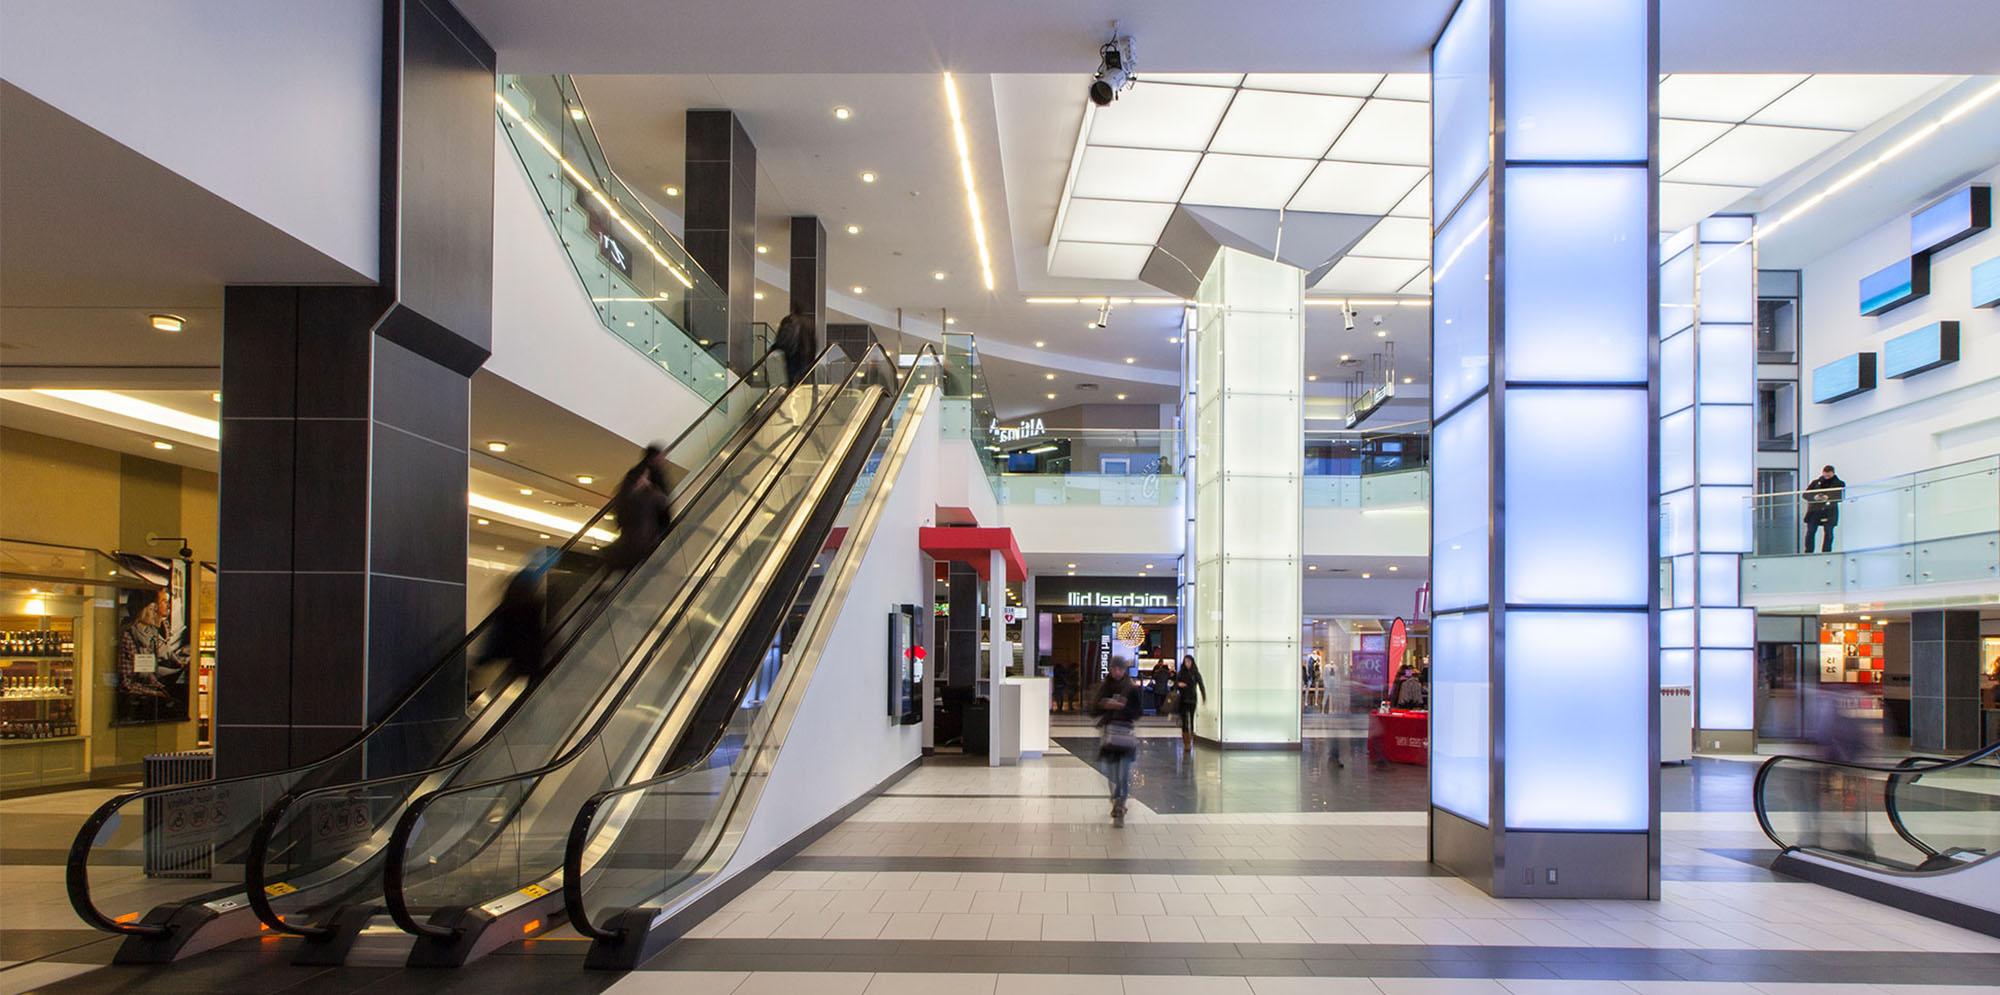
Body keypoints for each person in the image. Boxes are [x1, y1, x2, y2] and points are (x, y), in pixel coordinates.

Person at [604, 445, 673, 570]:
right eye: (662, 457)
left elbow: (622, 498)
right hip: (644, 527)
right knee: (640, 553)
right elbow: (660, 500)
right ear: (655, 457)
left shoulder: (638, 473)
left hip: (636, 527)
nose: (664, 460)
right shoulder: (645, 473)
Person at [1095, 658, 1143, 826]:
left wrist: (1122, 708)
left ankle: (1120, 802)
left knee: (1123, 771)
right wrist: (1106, 705)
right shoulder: (1105, 686)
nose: (1117, 672)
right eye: (1114, 668)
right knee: (1111, 771)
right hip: (1109, 733)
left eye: (1120, 669)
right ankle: (1117, 798)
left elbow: (1138, 712)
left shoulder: (1131, 689)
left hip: (1125, 733)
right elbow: (1093, 708)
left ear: (1124, 670)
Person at [1803, 465, 1846, 553]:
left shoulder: (1839, 483)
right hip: (1815, 511)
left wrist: (1828, 497)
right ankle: (1808, 552)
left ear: (1833, 473)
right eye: (1825, 475)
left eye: (1828, 476)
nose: (1826, 477)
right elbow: (1805, 494)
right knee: (1811, 531)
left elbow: (1841, 496)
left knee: (1828, 532)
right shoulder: (1816, 482)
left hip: (1830, 511)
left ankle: (1826, 552)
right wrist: (1815, 497)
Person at [770, 309, 817, 388]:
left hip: (792, 353)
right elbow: (814, 342)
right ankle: (803, 389)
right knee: (805, 377)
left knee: (792, 377)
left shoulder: (788, 320)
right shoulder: (809, 322)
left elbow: (782, 337)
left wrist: (775, 347)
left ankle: (792, 390)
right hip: (806, 355)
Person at [1173, 653, 1206, 756]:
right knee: (1184, 721)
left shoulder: (1195, 673)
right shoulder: (1181, 673)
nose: (1187, 664)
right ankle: (1186, 743)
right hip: (1182, 700)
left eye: (1189, 662)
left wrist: (1204, 696)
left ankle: (1190, 741)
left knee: (1191, 720)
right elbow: (1175, 685)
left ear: (1192, 662)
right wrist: (1179, 685)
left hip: (1192, 699)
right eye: (1186, 662)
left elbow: (1201, 684)